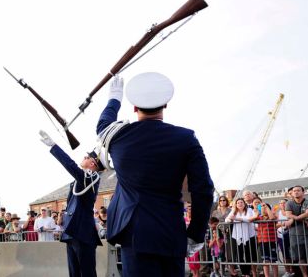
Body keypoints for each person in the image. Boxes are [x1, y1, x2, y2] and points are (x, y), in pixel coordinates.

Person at [97, 73, 214, 276]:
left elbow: (103, 125)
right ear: (165, 105)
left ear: (134, 107)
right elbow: (203, 190)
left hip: (134, 233)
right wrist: (195, 234)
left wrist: (114, 99)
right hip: (171, 231)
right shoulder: (186, 138)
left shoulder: (118, 137)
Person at [39, 130, 104, 276]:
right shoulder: (81, 180)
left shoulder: (90, 179)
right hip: (72, 232)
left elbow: (71, 165)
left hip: (82, 233)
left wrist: (54, 146)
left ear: (93, 163)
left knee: (86, 273)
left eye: (87, 157)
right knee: (74, 273)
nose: (83, 157)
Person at [286, 185, 308, 277]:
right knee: (300, 257)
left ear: (303, 192)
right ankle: (305, 275)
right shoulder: (289, 203)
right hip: (294, 234)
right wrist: (298, 218)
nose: (296, 192)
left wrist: (296, 218)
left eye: (298, 190)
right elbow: (288, 214)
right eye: (294, 191)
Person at [225, 198, 257, 277]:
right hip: (238, 236)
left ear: (244, 203)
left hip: (249, 235)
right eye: (238, 203)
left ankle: (247, 272)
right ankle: (243, 272)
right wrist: (230, 220)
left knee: (248, 254)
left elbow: (250, 219)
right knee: (240, 255)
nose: (240, 204)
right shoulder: (234, 211)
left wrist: (236, 219)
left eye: (241, 202)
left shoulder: (249, 210)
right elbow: (227, 219)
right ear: (236, 204)